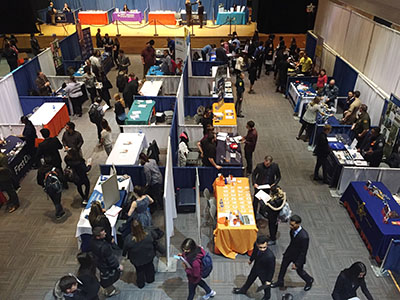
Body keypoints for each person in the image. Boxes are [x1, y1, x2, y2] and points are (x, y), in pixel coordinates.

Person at [271, 215, 314, 291]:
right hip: (290, 253)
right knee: (283, 267)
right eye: (290, 224)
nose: (290, 226)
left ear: (298, 224)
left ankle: (309, 280)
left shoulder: (304, 237)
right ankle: (280, 281)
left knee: (300, 271)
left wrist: (297, 263)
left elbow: (303, 252)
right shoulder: (292, 230)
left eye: (292, 225)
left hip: (297, 257)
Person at [233, 235, 275, 300]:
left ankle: (267, 297)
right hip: (256, 267)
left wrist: (269, 280)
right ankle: (243, 290)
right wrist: (251, 259)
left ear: (267, 244)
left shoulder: (270, 256)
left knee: (265, 285)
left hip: (264, 272)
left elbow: (271, 269)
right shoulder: (255, 245)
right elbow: (254, 253)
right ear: (257, 244)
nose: (262, 249)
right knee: (250, 278)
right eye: (260, 247)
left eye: (264, 247)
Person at [123, 219, 157, 289]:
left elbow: (125, 250)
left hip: (137, 260)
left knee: (139, 271)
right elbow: (155, 238)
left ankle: (141, 284)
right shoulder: (149, 234)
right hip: (149, 256)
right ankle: (150, 279)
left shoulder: (129, 239)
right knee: (150, 267)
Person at [90, 227, 122, 297]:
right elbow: (111, 259)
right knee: (108, 279)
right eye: (103, 233)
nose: (105, 233)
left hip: (99, 263)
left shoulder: (92, 241)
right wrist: (118, 266)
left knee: (105, 277)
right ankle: (110, 291)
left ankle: (108, 289)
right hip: (106, 265)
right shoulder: (104, 247)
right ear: (98, 237)